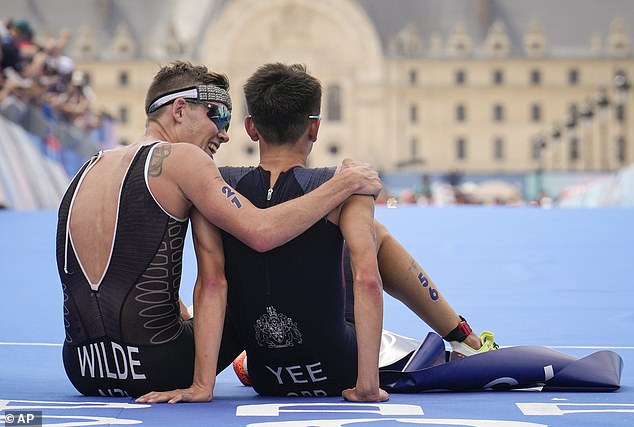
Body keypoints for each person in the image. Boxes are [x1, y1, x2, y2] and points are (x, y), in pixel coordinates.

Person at [136, 63, 497, 404]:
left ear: (250, 128)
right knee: (374, 236)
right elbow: (367, 281)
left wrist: (203, 385)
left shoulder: (218, 184)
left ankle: (250, 358)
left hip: (268, 376)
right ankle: (463, 335)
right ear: (315, 128)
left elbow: (211, 284)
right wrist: (367, 384)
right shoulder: (342, 183)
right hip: (340, 369)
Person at [55, 61, 381, 399]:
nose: (224, 133)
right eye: (218, 118)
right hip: (159, 366)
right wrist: (342, 185)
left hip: (82, 367)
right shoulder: (183, 158)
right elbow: (261, 231)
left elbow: (119, 266)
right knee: (248, 285)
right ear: (179, 110)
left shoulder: (91, 165)